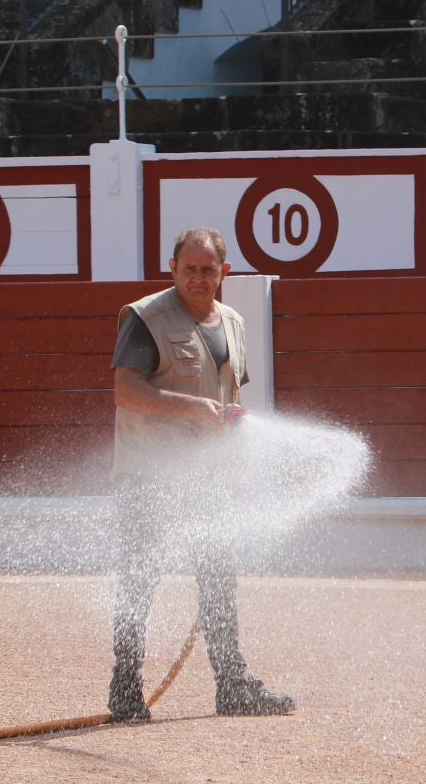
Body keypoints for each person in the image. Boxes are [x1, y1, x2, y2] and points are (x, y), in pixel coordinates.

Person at [107, 227, 296, 722]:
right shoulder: (147, 317)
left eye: (207, 269)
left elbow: (231, 401)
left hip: (207, 480)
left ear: (224, 273)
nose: (197, 277)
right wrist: (193, 409)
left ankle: (232, 686)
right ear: (172, 267)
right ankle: (125, 688)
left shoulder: (232, 322)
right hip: (148, 475)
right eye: (188, 268)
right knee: (139, 581)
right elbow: (126, 392)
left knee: (218, 581)